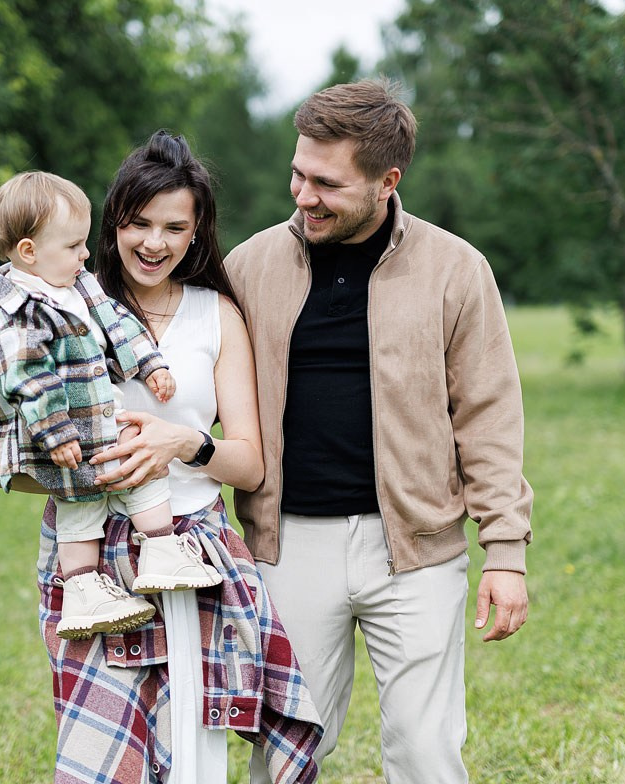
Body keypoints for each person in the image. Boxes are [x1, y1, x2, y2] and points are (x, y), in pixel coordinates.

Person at [223, 78, 535, 783]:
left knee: (427, 753)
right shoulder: (248, 267)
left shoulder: (456, 270)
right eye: (298, 173)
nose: (303, 196)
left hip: (417, 550)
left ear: (387, 181)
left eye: (327, 184)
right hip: (285, 542)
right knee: (282, 756)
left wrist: (507, 551)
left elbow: (488, 415)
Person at [0, 132, 322, 783]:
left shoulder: (217, 316)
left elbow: (251, 463)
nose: (154, 242)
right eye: (139, 223)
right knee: (101, 754)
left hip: (192, 551)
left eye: (175, 227)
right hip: (94, 559)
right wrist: (91, 467)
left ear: (197, 231)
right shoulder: (67, 313)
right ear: (113, 221)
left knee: (196, 748)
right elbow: (2, 463)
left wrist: (183, 444)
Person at [0, 171, 223, 642]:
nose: (86, 255)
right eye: (73, 246)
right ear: (29, 252)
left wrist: (149, 365)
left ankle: (161, 552)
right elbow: (27, 380)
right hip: (62, 436)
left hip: (101, 423)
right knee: (79, 507)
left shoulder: (79, 287)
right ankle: (83, 587)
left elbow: (117, 322)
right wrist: (56, 434)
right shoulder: (14, 315)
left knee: (141, 470)